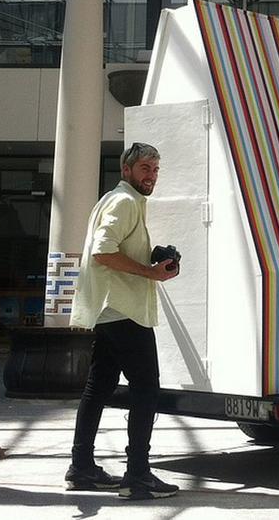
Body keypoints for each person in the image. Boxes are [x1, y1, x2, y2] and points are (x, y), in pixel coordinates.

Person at [66, 142, 181, 500]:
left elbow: (112, 249)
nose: (152, 175)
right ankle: (138, 475)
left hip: (108, 310)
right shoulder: (125, 201)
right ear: (127, 170)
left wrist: (153, 259)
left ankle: (81, 466)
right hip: (124, 312)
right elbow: (103, 251)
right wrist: (149, 271)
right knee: (146, 389)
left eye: (156, 169)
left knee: (98, 387)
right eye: (145, 167)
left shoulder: (116, 200)